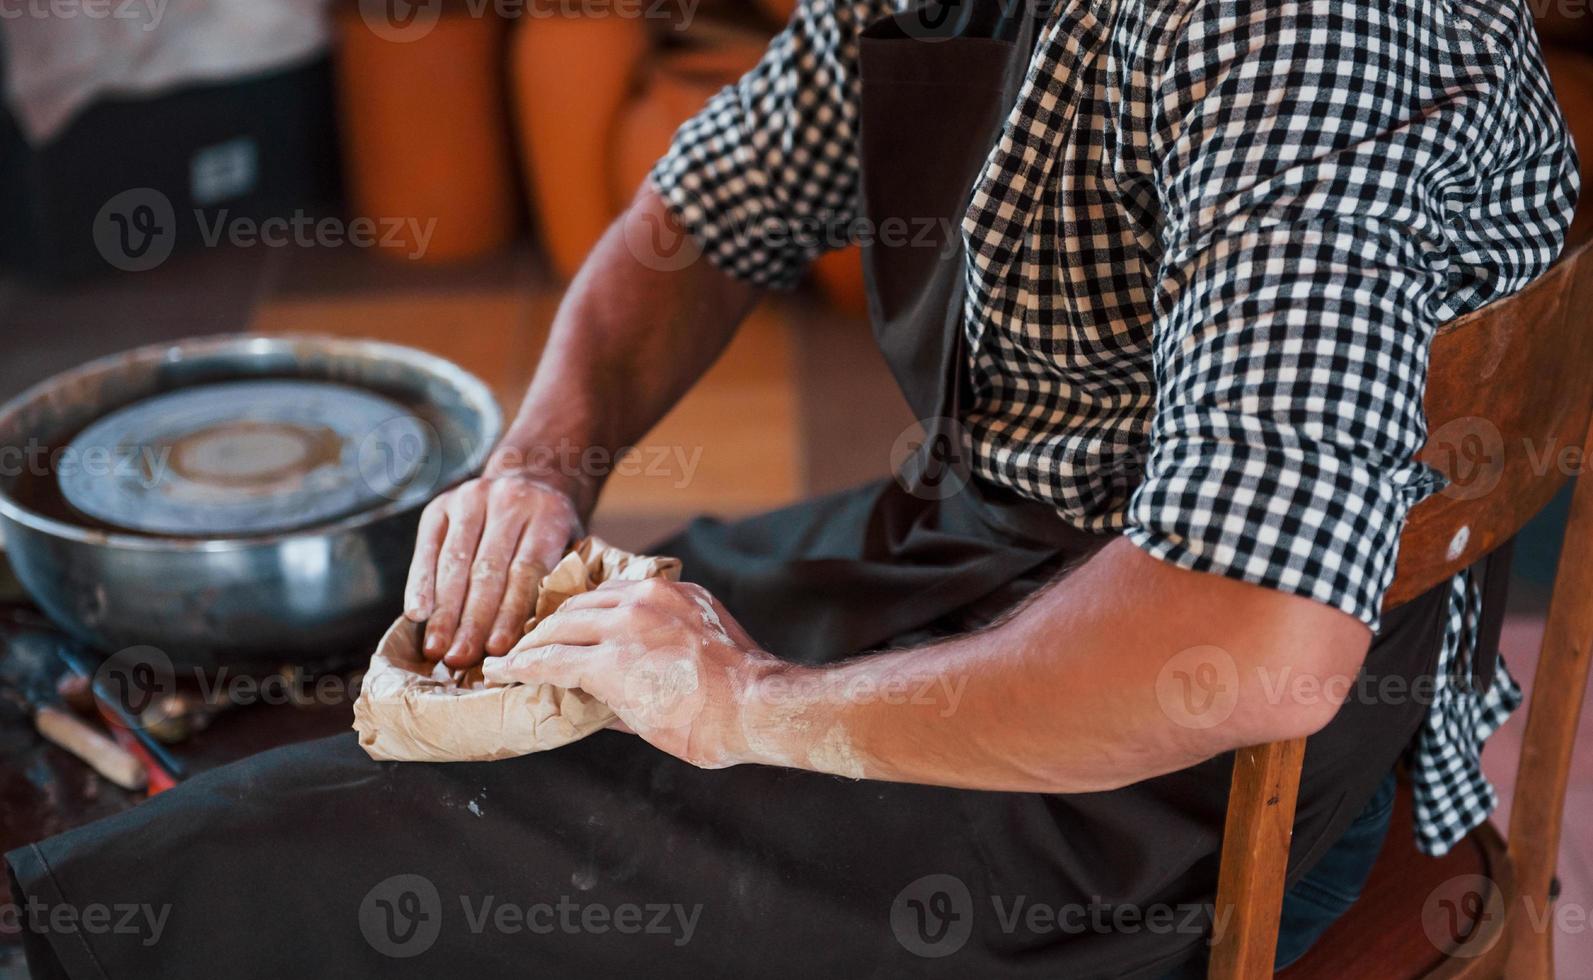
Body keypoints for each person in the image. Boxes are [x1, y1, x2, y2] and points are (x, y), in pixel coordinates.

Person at [7, 0, 1578, 976]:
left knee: (341, 861)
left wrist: (751, 707)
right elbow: (687, 224)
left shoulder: (1299, 28)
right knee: (471, 732)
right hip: (981, 553)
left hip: (1192, 786)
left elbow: (1255, 640)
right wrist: (538, 474)